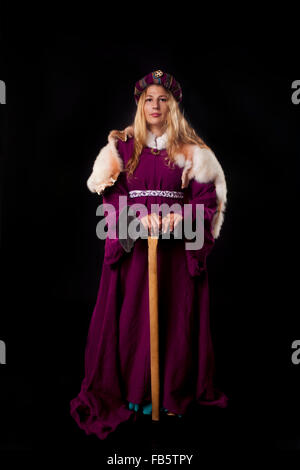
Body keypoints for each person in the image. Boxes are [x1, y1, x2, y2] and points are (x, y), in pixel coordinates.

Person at [70, 70, 228, 440]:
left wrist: (180, 216)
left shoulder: (193, 151)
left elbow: (208, 201)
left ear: (172, 106)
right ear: (140, 105)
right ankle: (136, 394)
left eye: (163, 99)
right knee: (131, 320)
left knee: (175, 316)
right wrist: (138, 219)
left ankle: (172, 392)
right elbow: (111, 196)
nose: (155, 106)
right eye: (148, 100)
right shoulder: (123, 148)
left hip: (175, 254)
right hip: (135, 253)